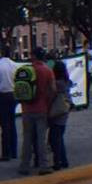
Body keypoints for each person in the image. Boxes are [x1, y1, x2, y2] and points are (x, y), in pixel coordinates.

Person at [18, 46, 55, 176]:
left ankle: (24, 165)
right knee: (41, 139)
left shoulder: (26, 70)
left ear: (33, 56)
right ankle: (44, 165)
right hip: (42, 108)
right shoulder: (47, 70)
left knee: (27, 139)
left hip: (27, 109)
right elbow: (52, 90)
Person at [48, 59, 72, 171]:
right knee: (59, 137)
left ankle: (58, 162)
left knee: (54, 139)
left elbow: (51, 95)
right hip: (64, 111)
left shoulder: (57, 83)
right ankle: (64, 160)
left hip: (56, 111)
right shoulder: (66, 81)